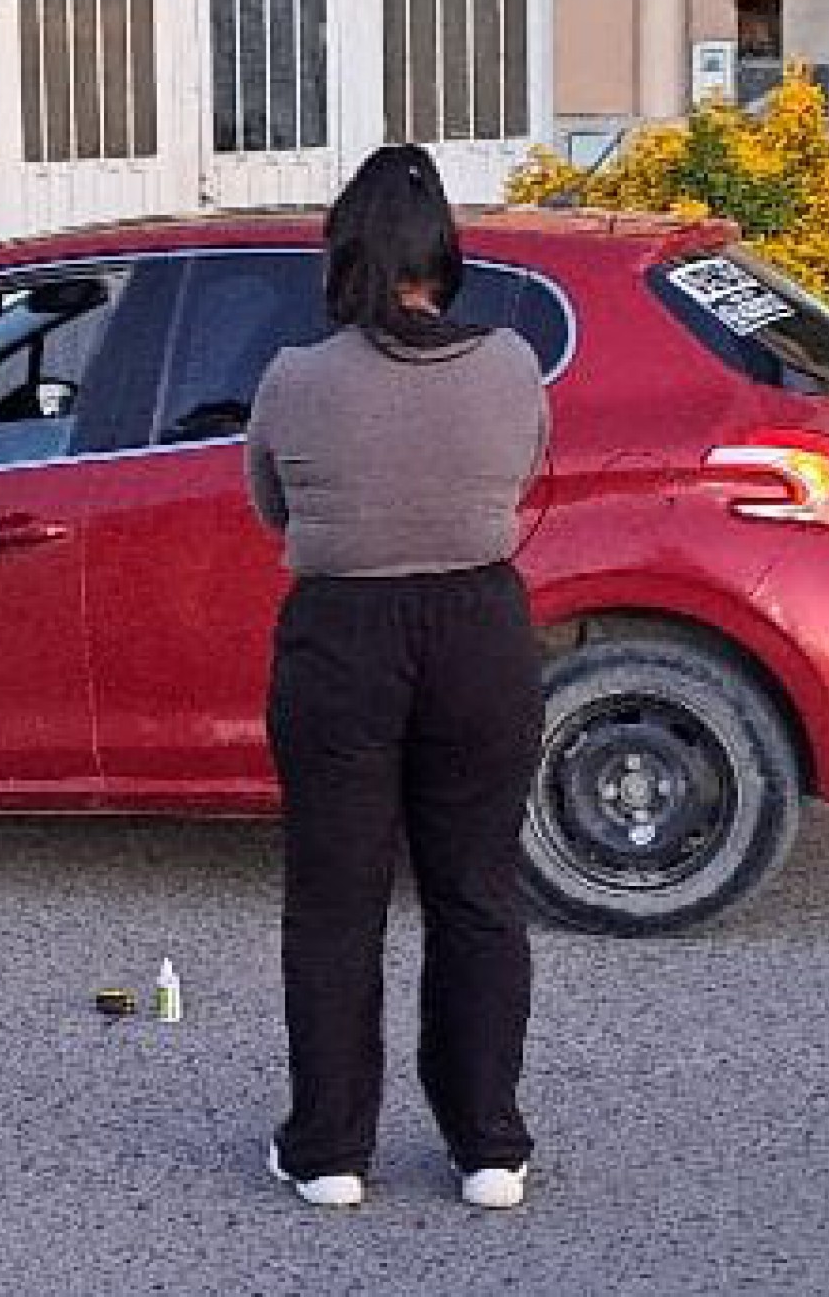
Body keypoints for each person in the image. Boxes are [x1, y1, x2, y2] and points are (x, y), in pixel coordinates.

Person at [245, 145, 551, 1212]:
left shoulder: (294, 378)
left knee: (335, 904)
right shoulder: (513, 362)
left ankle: (328, 1150)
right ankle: (488, 1148)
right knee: (477, 892)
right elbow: (522, 471)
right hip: (479, 624)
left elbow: (272, 506)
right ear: (444, 256)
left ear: (343, 257)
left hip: (341, 633)